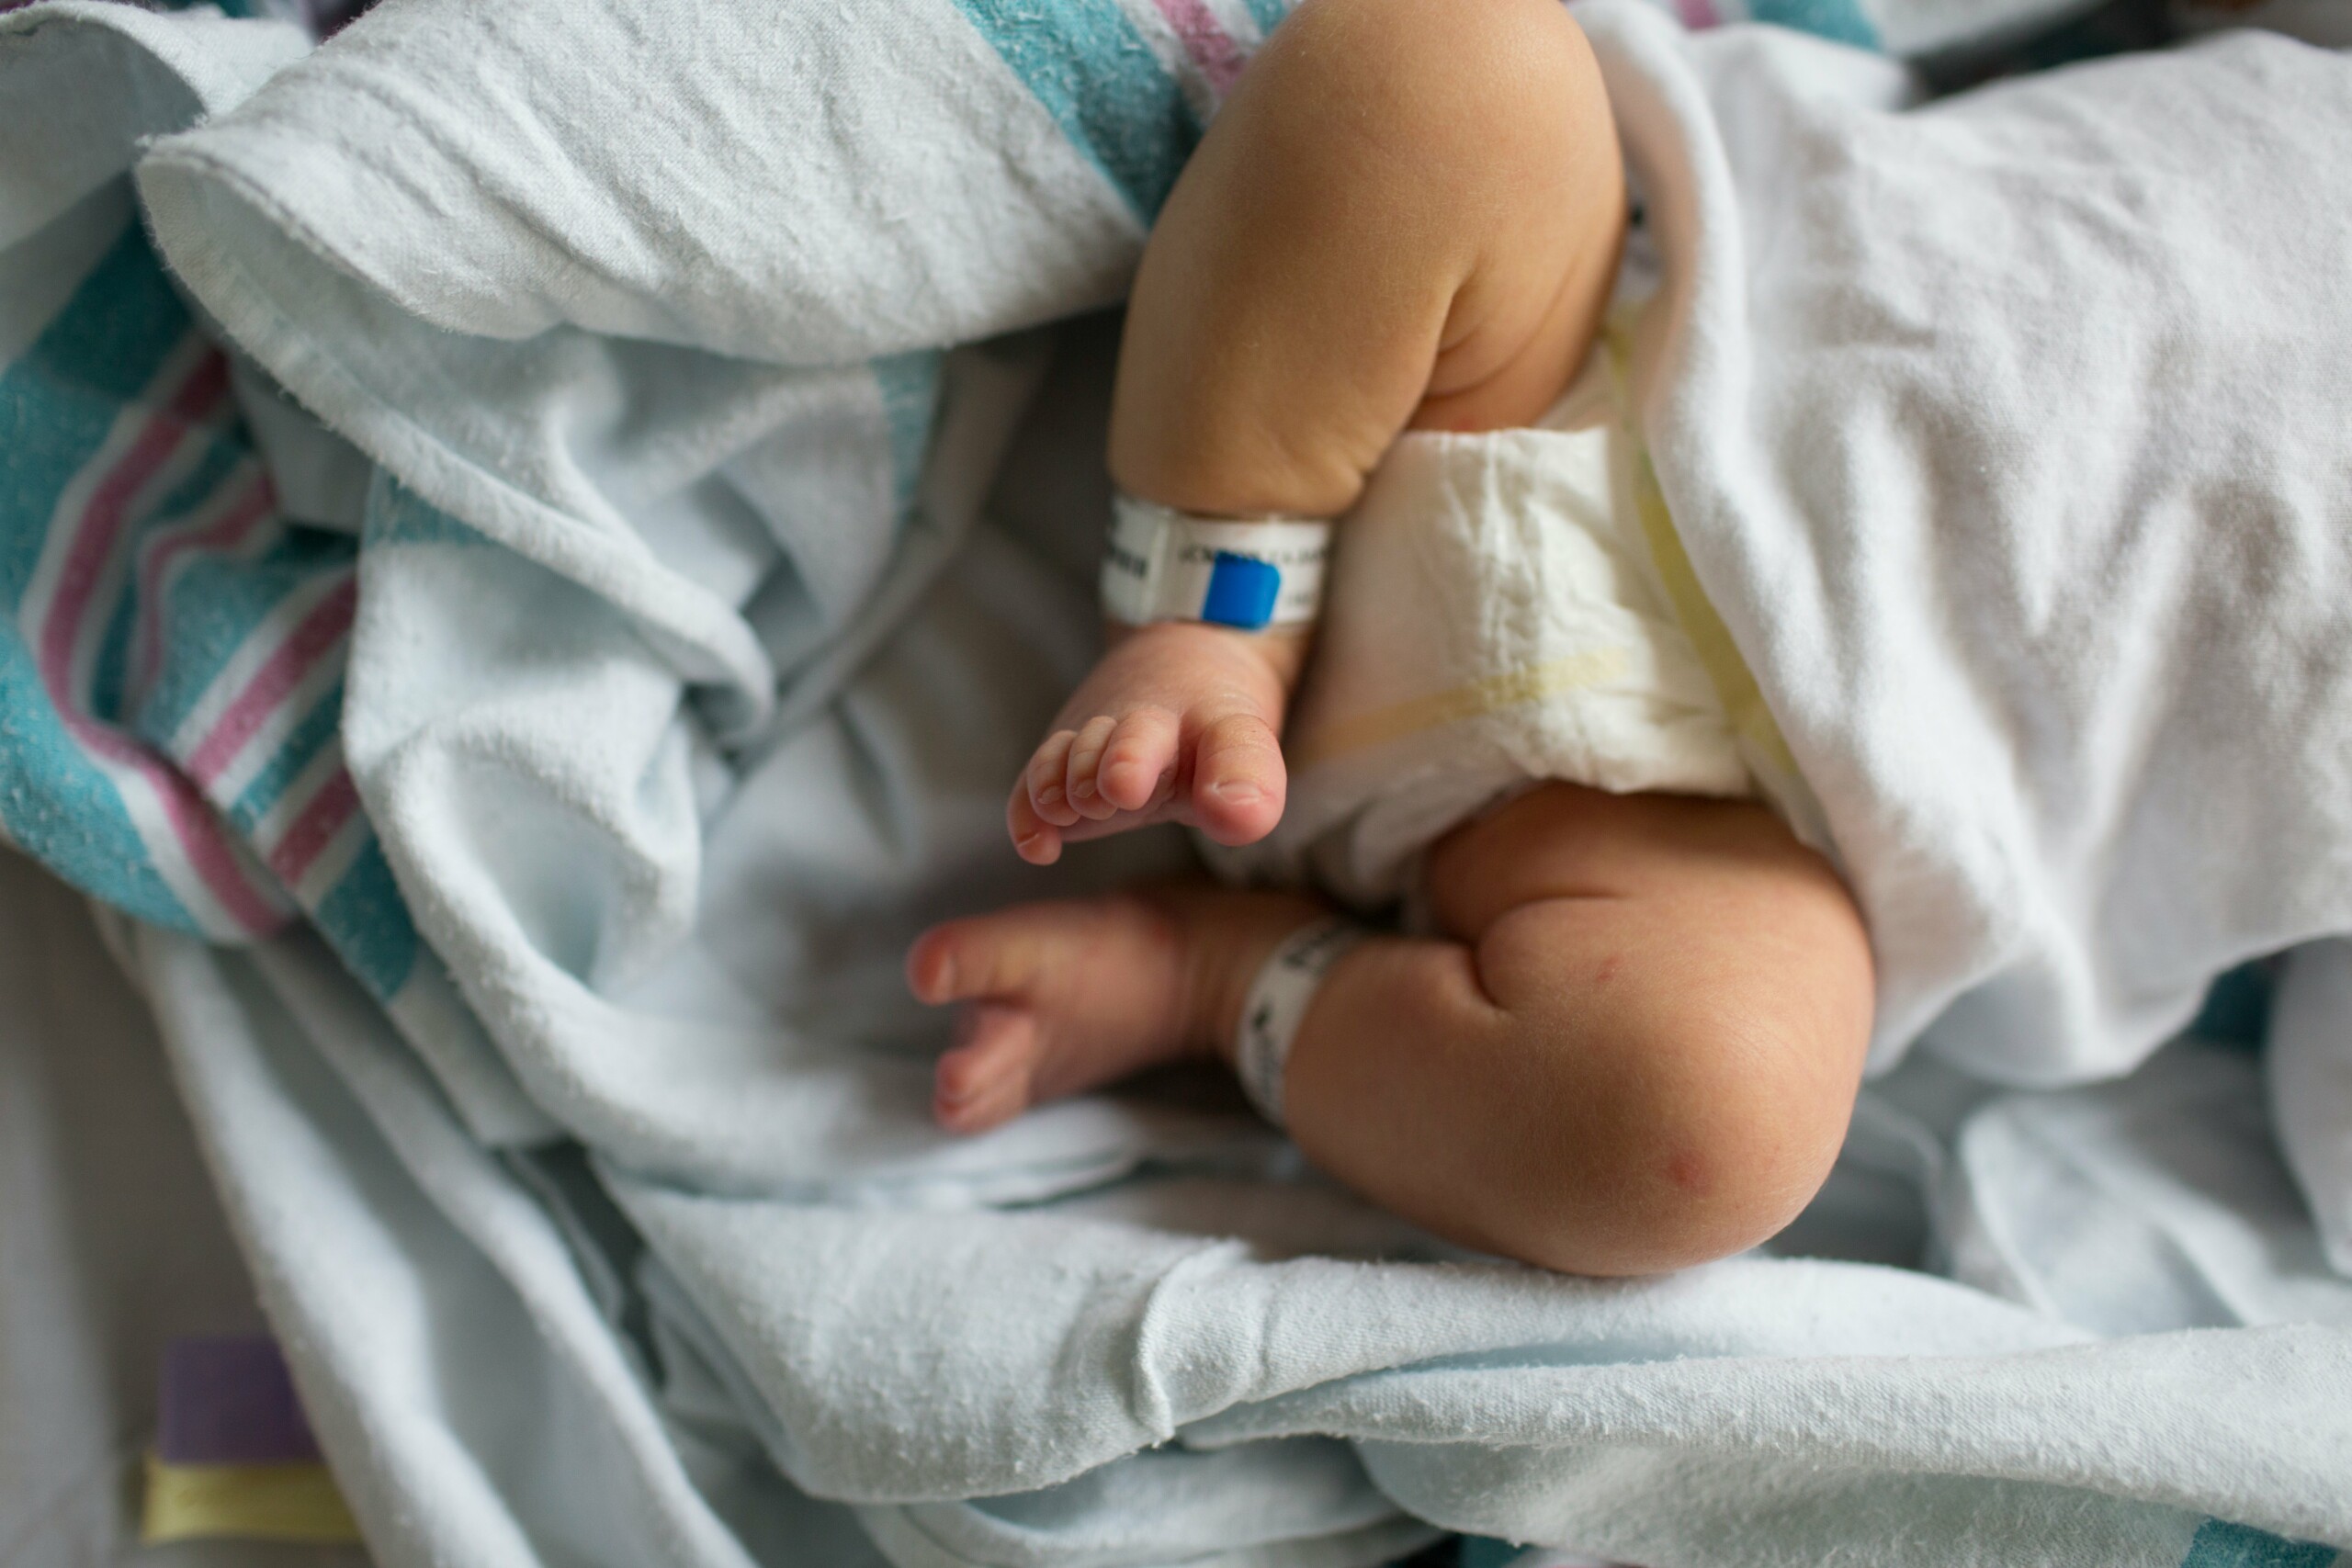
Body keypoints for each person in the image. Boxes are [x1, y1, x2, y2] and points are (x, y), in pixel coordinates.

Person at [905, 0, 1874, 1278]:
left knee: (1703, 1129)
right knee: (1454, 60)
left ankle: (1220, 977)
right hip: (1582, 377)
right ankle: (1207, 611)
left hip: (1710, 838)